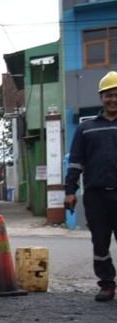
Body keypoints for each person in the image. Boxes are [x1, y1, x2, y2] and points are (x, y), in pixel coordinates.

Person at [64, 70, 117, 302]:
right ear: (100, 98)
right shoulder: (86, 128)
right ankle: (106, 284)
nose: (112, 99)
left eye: (116, 94)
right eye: (108, 95)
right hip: (96, 196)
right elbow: (75, 161)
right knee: (100, 242)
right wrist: (69, 192)